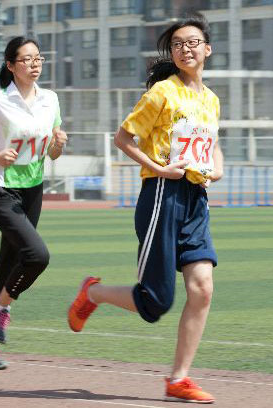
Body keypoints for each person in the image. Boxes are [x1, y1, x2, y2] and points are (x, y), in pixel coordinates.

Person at [67, 15, 223, 404]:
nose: (185, 49)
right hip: (161, 196)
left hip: (196, 199)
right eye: (178, 44)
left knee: (202, 289)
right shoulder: (162, 93)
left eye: (193, 42)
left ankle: (178, 379)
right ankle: (93, 292)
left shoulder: (211, 99)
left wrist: (217, 168)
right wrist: (158, 168)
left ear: (207, 49)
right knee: (156, 302)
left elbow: (213, 143)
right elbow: (123, 137)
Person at [0, 37, 67, 370]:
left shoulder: (50, 99)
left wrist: (59, 144)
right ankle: (0, 307)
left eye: (39, 58)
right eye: (27, 59)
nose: (34, 64)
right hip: (2, 191)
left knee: (6, 269)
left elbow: (53, 153)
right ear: (10, 65)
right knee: (37, 256)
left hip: (33, 190)